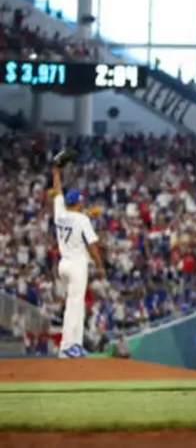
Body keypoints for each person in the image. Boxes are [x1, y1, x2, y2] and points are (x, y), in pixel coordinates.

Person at [51, 154, 105, 359]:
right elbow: (93, 246)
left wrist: (55, 172)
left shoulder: (61, 213)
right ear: (79, 203)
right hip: (76, 265)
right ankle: (68, 347)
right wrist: (100, 266)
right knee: (75, 304)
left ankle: (76, 344)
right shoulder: (82, 219)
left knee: (76, 303)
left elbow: (57, 192)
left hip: (63, 264)